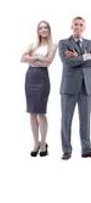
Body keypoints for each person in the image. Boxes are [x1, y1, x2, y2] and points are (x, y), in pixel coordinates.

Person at [59, 17, 91, 160]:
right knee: (66, 120)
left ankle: (86, 150)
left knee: (86, 120)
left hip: (86, 88)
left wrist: (77, 58)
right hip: (69, 87)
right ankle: (66, 150)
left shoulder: (90, 43)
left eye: (81, 25)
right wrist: (84, 58)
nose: (78, 27)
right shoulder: (63, 43)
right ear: (71, 26)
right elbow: (66, 62)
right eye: (76, 24)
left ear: (84, 27)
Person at [24, 21, 56, 158]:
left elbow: (48, 62)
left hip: (42, 78)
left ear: (49, 30)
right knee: (32, 112)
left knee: (41, 113)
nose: (43, 30)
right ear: (38, 30)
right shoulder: (33, 44)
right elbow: (22, 58)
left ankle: (43, 143)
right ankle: (35, 143)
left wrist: (32, 58)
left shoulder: (53, 45)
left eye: (45, 27)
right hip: (30, 77)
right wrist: (37, 57)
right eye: (40, 28)